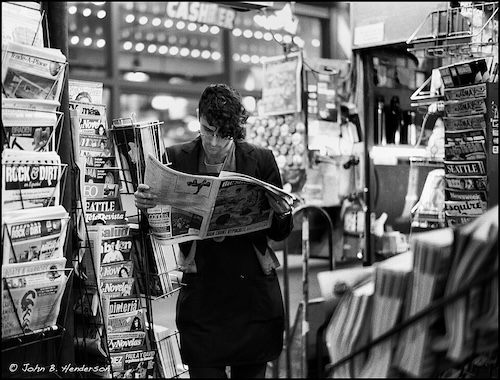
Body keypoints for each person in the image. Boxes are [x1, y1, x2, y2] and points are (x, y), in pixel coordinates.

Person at [134, 83, 294, 378]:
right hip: (203, 296)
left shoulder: (260, 160)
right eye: (208, 130)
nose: (215, 141)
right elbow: (155, 226)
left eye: (224, 134)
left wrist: (282, 210)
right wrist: (145, 204)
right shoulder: (177, 159)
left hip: (251, 295)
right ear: (199, 119)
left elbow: (281, 232)